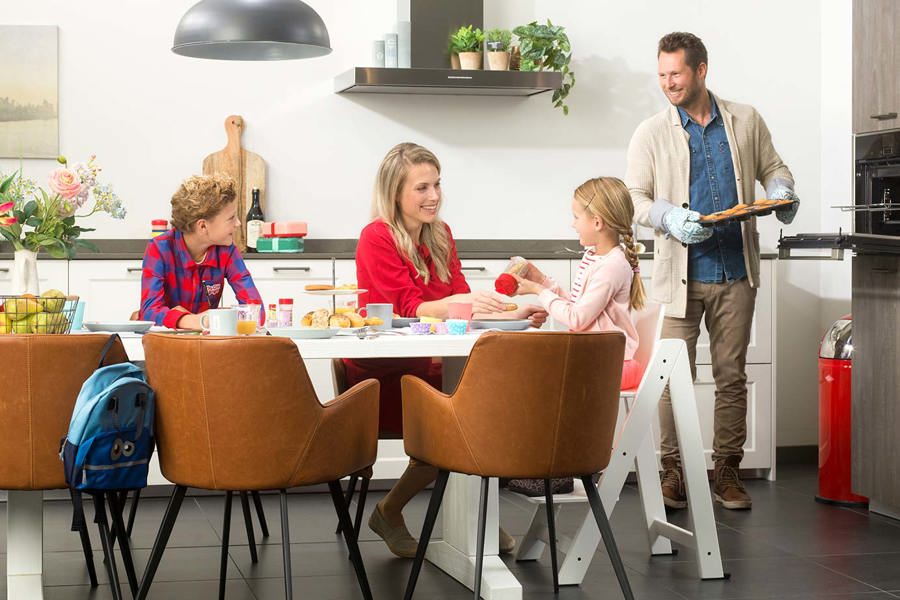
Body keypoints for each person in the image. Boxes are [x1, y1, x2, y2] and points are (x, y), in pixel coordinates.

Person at [348, 142, 548, 558]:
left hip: (436, 362)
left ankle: (471, 518)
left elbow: (461, 301)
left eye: (437, 184)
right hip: (385, 372)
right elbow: (407, 308)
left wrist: (513, 312)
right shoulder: (376, 237)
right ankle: (394, 511)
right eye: (421, 187)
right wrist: (466, 302)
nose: (434, 196)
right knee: (463, 414)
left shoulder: (440, 234)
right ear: (395, 193)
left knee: (487, 402)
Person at [625, 32, 798, 510]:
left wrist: (782, 191)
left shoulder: (746, 120)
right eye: (662, 75)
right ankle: (674, 472)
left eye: (676, 73)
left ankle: (727, 472)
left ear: (701, 70)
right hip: (680, 275)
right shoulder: (651, 132)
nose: (668, 83)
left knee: (731, 377)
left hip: (735, 272)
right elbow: (634, 198)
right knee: (670, 378)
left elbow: (775, 168)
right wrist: (668, 217)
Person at [510, 177, 645, 391]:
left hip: (610, 366)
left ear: (597, 222)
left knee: (532, 373)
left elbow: (577, 319)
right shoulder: (596, 258)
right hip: (600, 360)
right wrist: (541, 280)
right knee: (527, 368)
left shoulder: (612, 266)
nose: (573, 224)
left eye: (576, 217)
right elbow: (577, 307)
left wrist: (538, 291)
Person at [140, 174, 263, 330]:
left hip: (206, 341)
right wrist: (197, 320)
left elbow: (255, 309)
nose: (238, 223)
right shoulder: (160, 248)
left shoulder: (227, 250)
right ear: (203, 226)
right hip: (168, 340)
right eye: (231, 218)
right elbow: (148, 313)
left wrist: (221, 316)